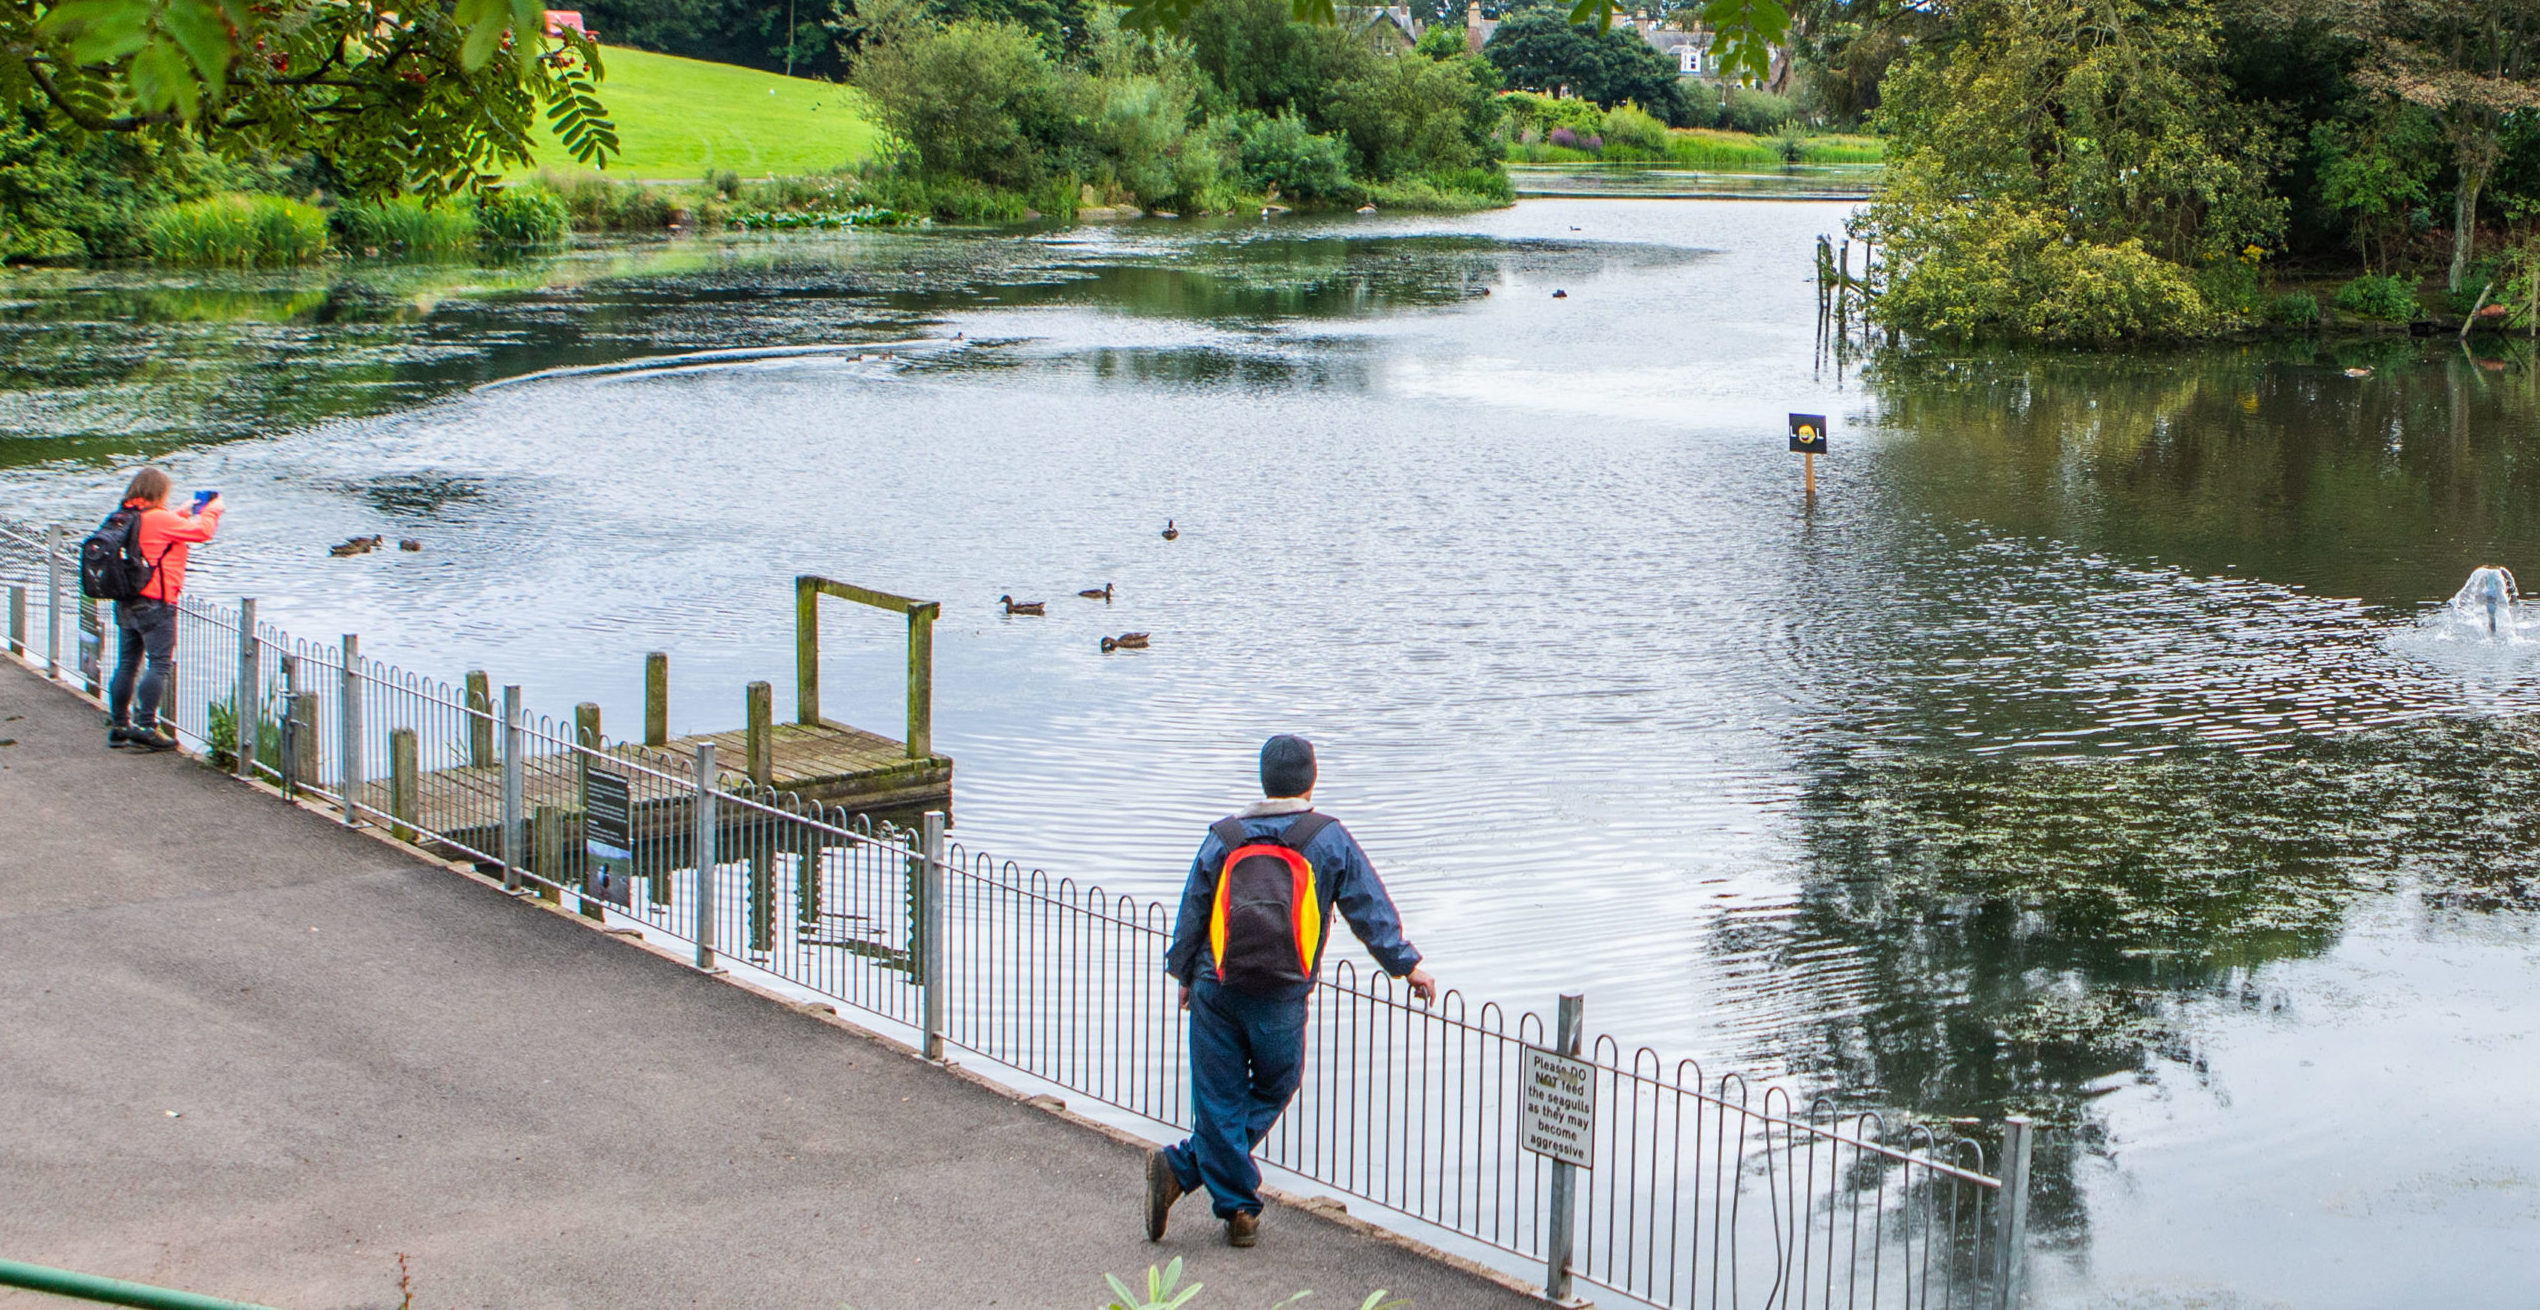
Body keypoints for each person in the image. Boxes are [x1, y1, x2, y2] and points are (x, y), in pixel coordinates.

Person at [1147, 734, 1437, 1248]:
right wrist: (1405, 965)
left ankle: (1188, 1171)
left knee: (1218, 1099)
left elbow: (1194, 907)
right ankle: (1234, 1206)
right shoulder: (1326, 837)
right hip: (1281, 993)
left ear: (1264, 778)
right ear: (1311, 778)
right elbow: (1366, 906)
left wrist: (1185, 974)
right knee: (1278, 1083)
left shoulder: (1225, 835)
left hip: (1218, 983)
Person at [105, 467, 221, 751]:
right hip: (156, 602)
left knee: (127, 664)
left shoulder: (124, 516)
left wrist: (179, 513)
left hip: (126, 600)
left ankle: (120, 726)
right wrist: (213, 510)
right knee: (159, 664)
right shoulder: (159, 518)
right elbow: (203, 532)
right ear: (160, 493)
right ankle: (147, 726)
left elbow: (154, 538)